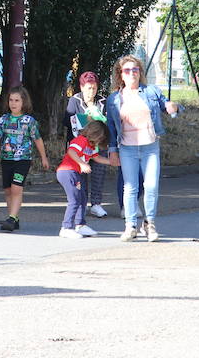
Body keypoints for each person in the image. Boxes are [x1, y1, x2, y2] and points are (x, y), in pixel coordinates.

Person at [108, 54, 180, 242]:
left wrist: (174, 107)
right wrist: (112, 150)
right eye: (127, 71)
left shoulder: (151, 91)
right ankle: (130, 226)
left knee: (151, 186)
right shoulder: (114, 99)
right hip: (127, 148)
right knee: (130, 187)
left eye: (135, 70)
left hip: (150, 147)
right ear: (121, 75)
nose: (132, 73)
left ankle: (149, 224)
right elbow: (110, 127)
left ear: (140, 72)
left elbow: (167, 106)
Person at [0, 86, 52, 232]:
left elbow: (38, 139)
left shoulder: (29, 121)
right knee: (8, 190)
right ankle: (13, 217)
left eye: (17, 100)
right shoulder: (4, 119)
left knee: (16, 188)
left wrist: (44, 158)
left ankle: (12, 218)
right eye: (11, 100)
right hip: (6, 159)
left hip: (23, 159)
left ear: (24, 102)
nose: (13, 103)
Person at [55, 120, 114, 238]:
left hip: (74, 173)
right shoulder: (81, 140)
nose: (100, 141)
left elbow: (96, 158)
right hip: (68, 172)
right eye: (100, 138)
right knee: (74, 200)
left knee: (82, 198)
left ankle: (80, 225)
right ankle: (66, 227)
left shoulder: (91, 146)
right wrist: (82, 164)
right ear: (95, 133)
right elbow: (71, 151)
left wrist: (112, 162)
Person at [67, 72, 113, 218]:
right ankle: (81, 203)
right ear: (81, 87)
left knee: (99, 174)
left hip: (99, 143)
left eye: (94, 88)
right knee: (81, 174)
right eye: (88, 88)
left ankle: (96, 204)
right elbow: (68, 120)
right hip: (81, 144)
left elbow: (108, 123)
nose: (91, 91)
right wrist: (86, 120)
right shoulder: (74, 100)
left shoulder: (103, 101)